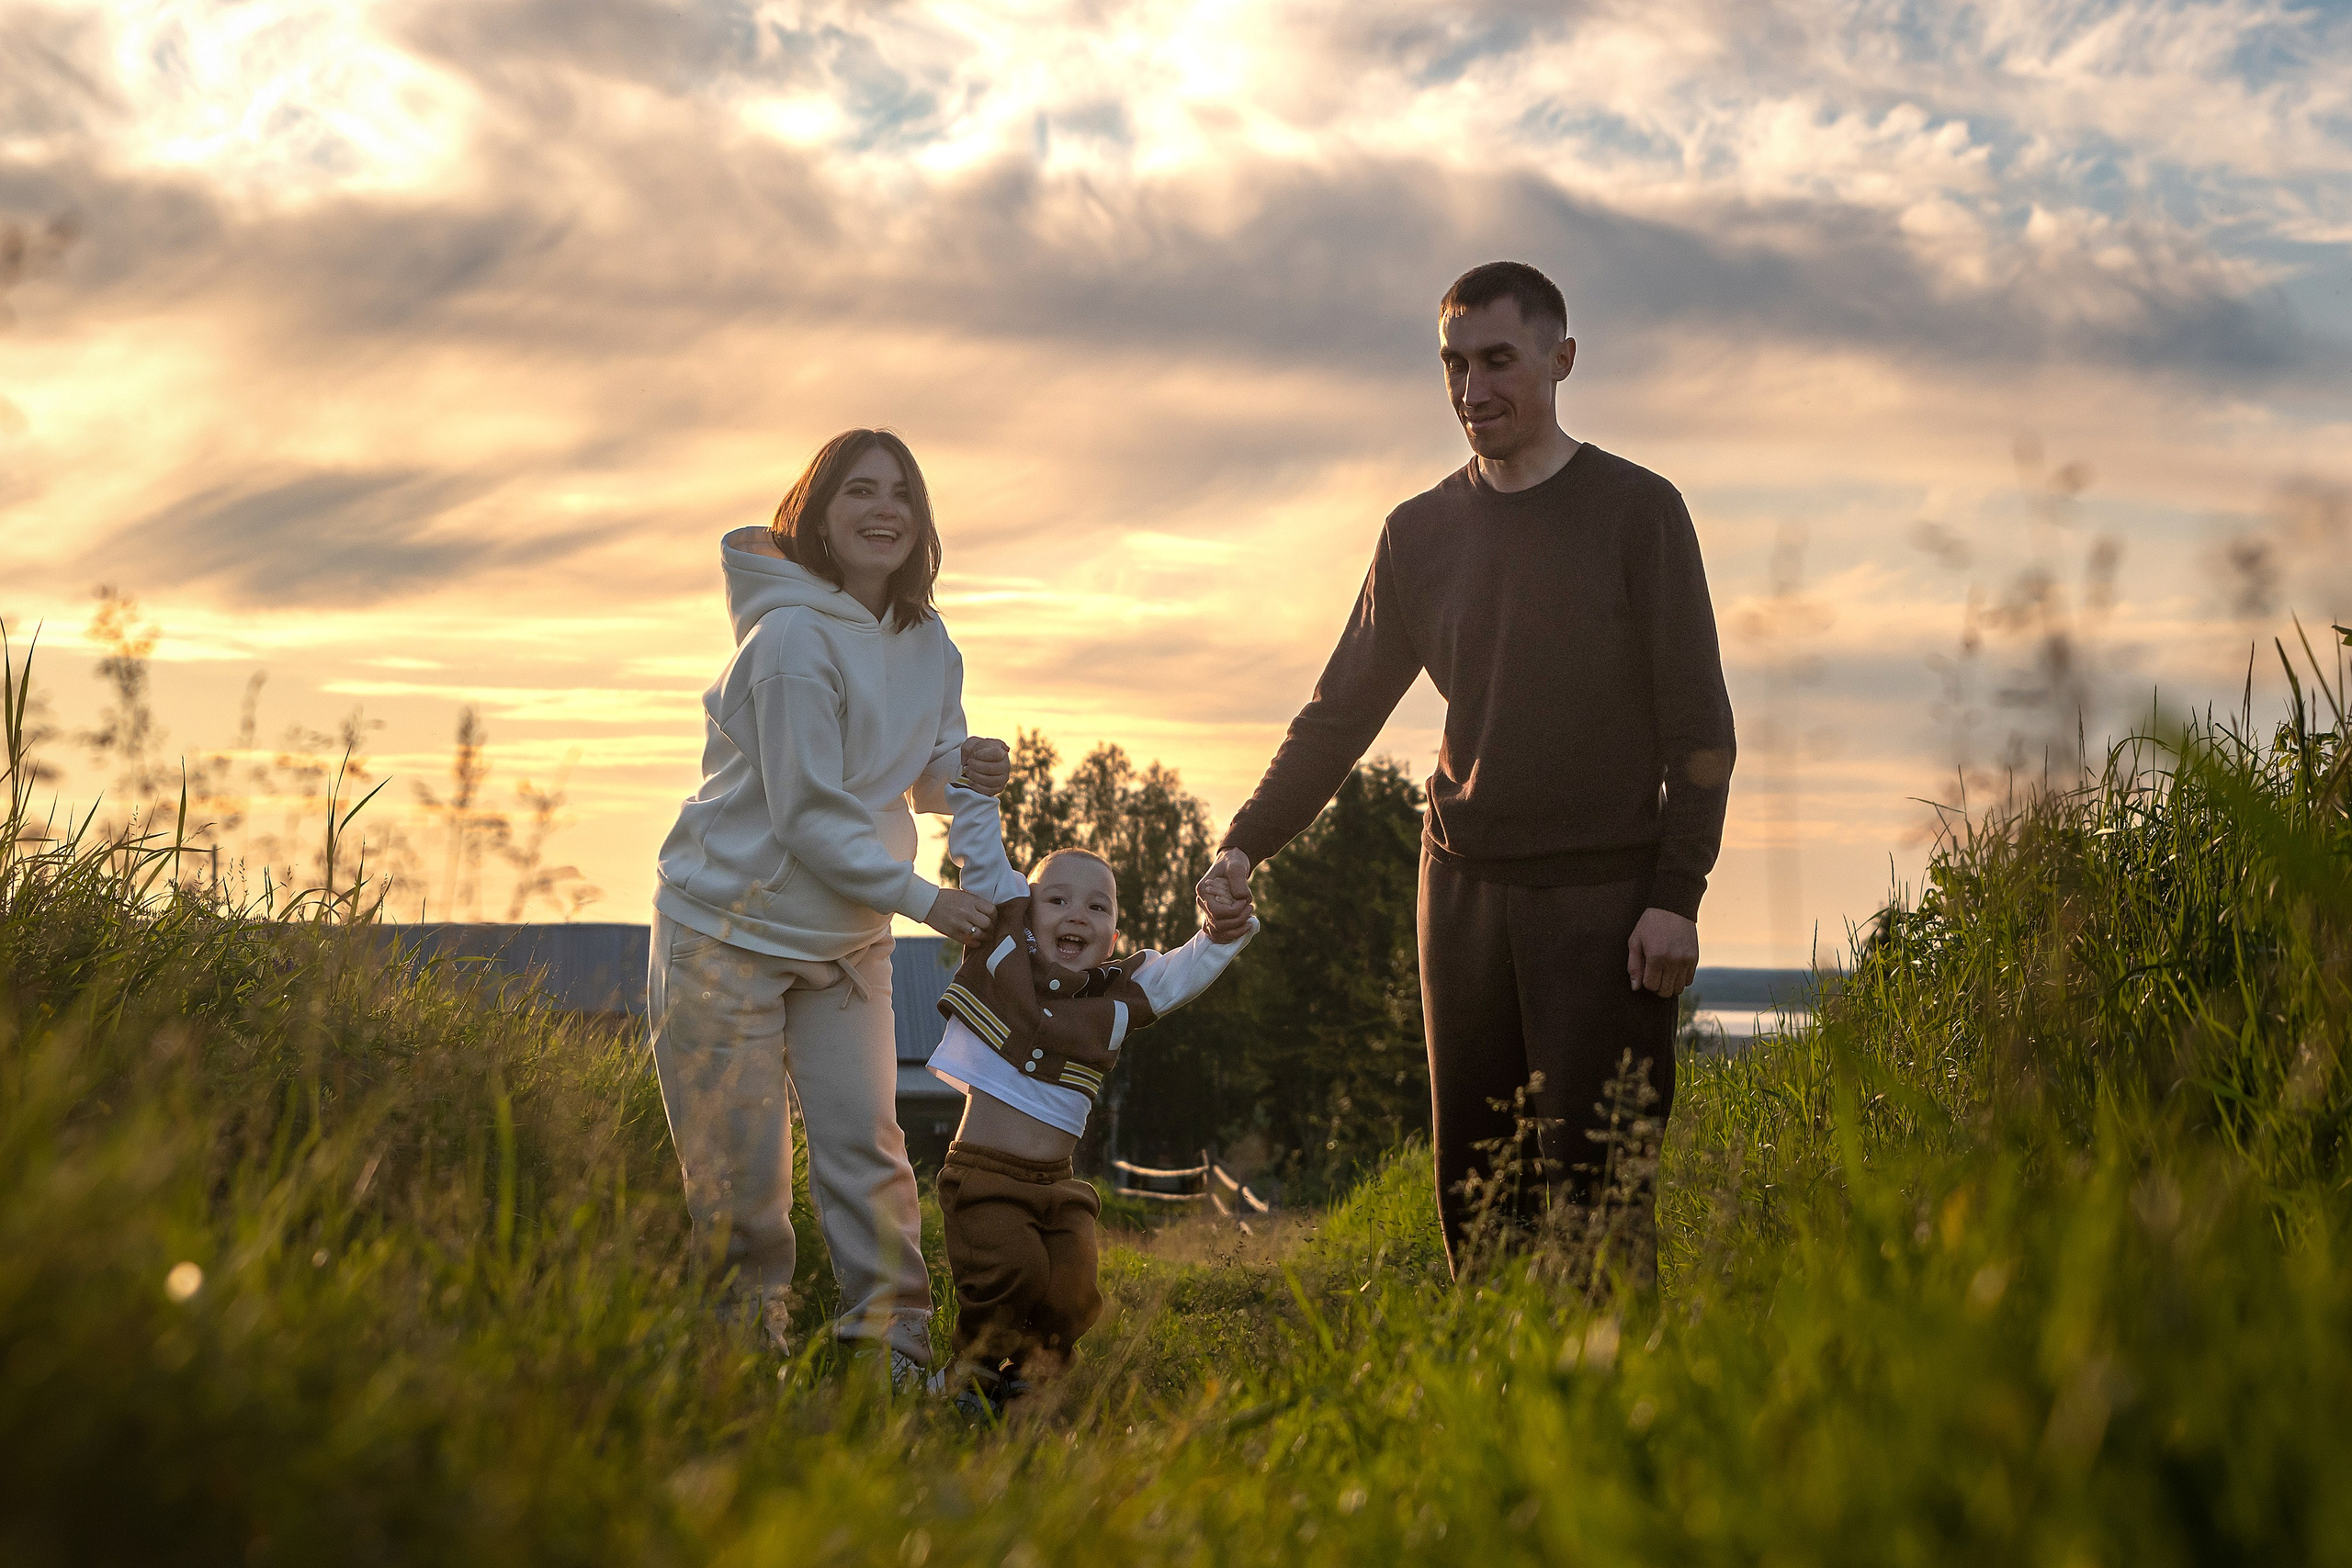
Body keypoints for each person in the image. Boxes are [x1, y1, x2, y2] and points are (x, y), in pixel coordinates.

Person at [1197, 261, 1736, 1277]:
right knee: (1476, 1195)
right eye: (1452, 365)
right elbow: (1337, 715)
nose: (1471, 391)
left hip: (1606, 902)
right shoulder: (1419, 533)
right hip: (1462, 895)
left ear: (1560, 360)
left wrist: (1676, 895)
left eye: (1497, 361)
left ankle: (1624, 1414)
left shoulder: (1639, 512)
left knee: (1601, 1199)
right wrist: (1243, 846)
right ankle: (1486, 1413)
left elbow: (1700, 728)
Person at [647, 426, 1013, 1384]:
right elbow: (810, 812)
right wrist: (929, 902)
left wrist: (962, 769)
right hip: (726, 929)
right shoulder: (789, 640)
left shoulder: (929, 640)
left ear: (921, 521)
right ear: (816, 515)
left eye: (900, 491)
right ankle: (741, 1373)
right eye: (857, 490)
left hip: (845, 939)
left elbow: (909, 770)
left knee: (869, 1155)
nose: (882, 508)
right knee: (744, 1188)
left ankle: (892, 1364)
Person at [923, 786, 1257, 1412]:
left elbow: (1184, 969)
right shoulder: (1002, 949)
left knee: (1072, 1287)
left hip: (1058, 1181)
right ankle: (965, 1376)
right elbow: (983, 857)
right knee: (1011, 1271)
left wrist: (1222, 930)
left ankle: (1032, 1379)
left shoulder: (1120, 995)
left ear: (1112, 934)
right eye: (1056, 899)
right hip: (985, 1175)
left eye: (1097, 906)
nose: (1077, 913)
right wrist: (975, 790)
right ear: (1026, 909)